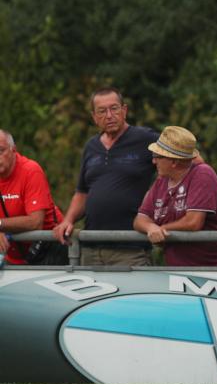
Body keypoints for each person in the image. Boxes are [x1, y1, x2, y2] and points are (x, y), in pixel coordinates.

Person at [53, 88, 158, 265]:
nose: (109, 115)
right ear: (94, 117)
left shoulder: (145, 139)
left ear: (124, 110)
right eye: (102, 111)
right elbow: (82, 193)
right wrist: (68, 220)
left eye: (114, 108)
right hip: (91, 248)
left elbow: (184, 160)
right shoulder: (91, 147)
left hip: (131, 248)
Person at [134, 126, 217, 267]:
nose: (153, 161)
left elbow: (193, 222)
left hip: (216, 269)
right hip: (180, 271)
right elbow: (140, 219)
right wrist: (151, 228)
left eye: (158, 156)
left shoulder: (202, 174)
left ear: (174, 162)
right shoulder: (161, 181)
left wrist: (163, 229)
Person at [0, 130, 63, 265]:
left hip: (50, 251)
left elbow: (35, 222)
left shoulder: (30, 171)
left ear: (13, 150)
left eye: (1, 151)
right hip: (15, 257)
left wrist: (0, 225)